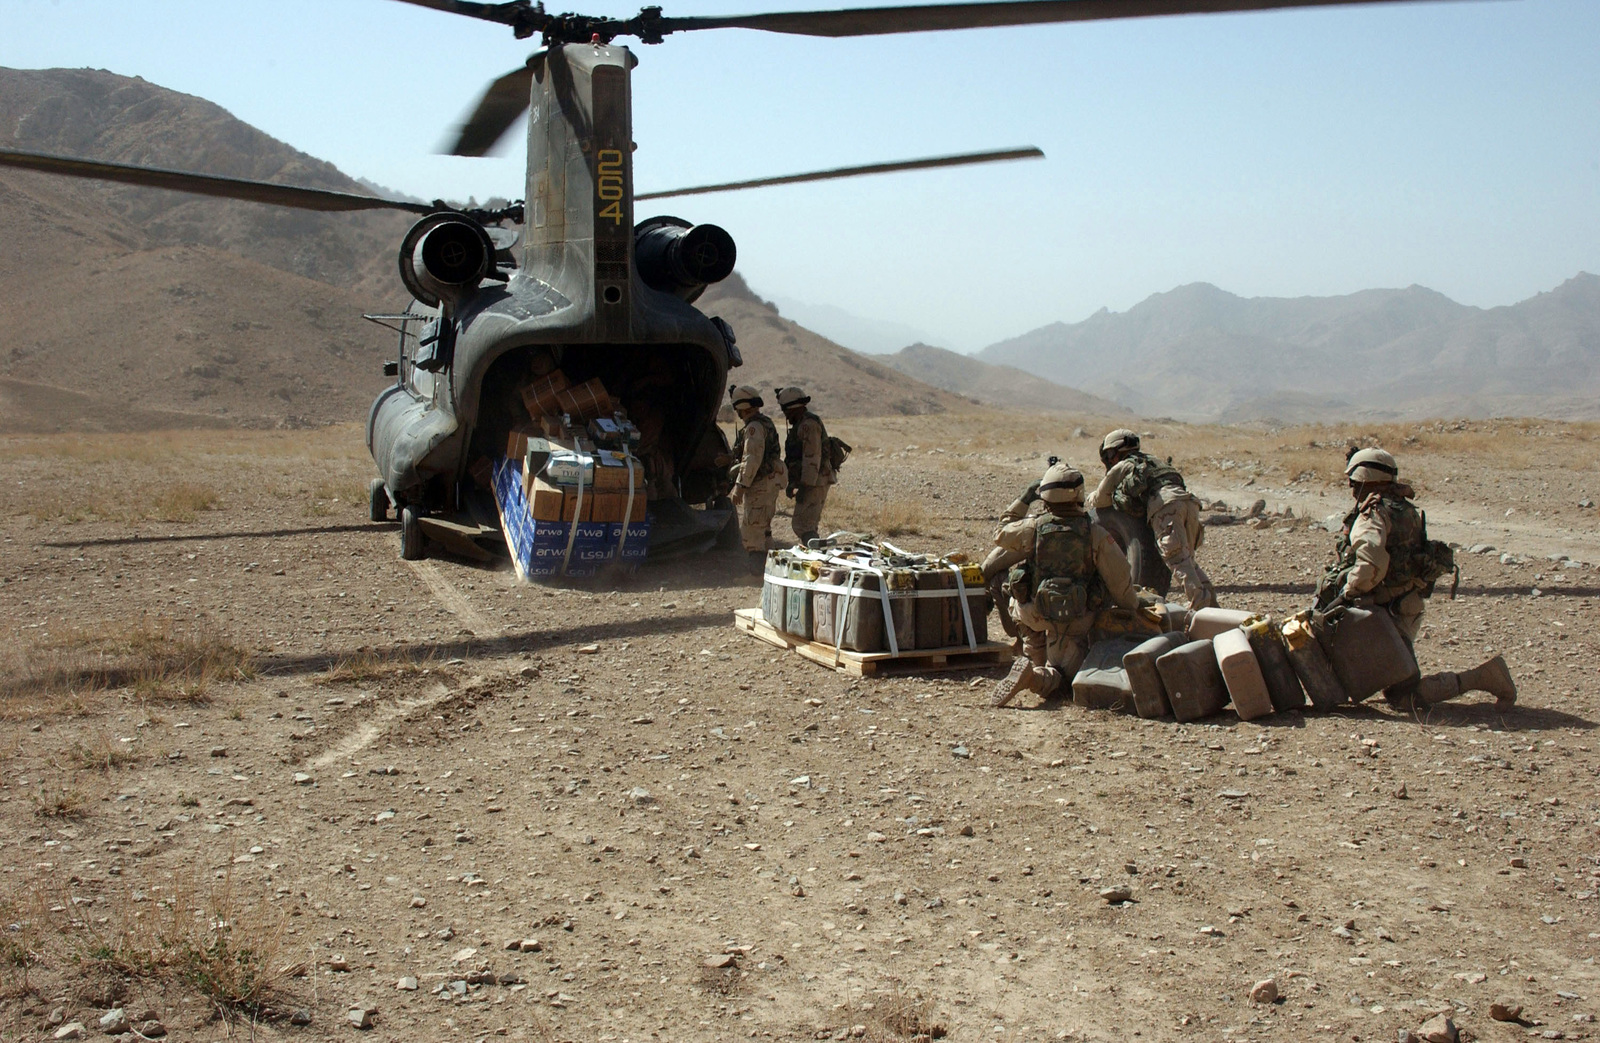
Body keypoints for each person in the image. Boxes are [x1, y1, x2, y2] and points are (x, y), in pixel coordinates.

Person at [1317, 447, 1516, 711]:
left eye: (1355, 482)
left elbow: (1372, 564)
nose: (1352, 489)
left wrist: (1348, 592)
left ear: (1368, 479)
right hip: (1405, 605)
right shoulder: (1404, 509)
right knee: (1391, 684)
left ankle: (1483, 677)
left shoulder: (1373, 514)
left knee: (1403, 696)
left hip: (1383, 614)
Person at [991, 462, 1148, 708]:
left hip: (1034, 615)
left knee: (1017, 601)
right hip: (1076, 620)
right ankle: (1034, 677)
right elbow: (1120, 581)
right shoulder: (1095, 534)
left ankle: (1033, 656)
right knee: (1064, 683)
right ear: (1079, 494)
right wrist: (1134, 605)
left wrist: (1024, 498)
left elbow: (1000, 533)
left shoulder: (1032, 528)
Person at [1089, 429, 1217, 610]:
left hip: (1166, 506)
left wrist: (1089, 499)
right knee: (1188, 561)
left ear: (1114, 453)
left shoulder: (1124, 466)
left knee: (1178, 561)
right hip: (1189, 503)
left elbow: (1100, 499)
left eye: (1109, 455)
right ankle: (1214, 608)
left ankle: (1201, 609)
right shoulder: (1153, 461)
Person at [723, 385, 783, 573]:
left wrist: (740, 487)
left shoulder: (754, 427)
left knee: (752, 532)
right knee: (763, 530)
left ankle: (756, 576)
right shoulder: (764, 423)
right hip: (767, 482)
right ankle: (772, 574)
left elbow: (752, 459)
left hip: (760, 485)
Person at [777, 386, 836, 545]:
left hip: (815, 481)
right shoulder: (802, 424)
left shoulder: (808, 425)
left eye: (786, 411)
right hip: (814, 480)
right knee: (806, 524)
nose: (786, 415)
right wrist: (793, 484)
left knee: (802, 525)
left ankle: (817, 554)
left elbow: (812, 459)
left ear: (792, 408)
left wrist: (805, 486)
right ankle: (816, 552)